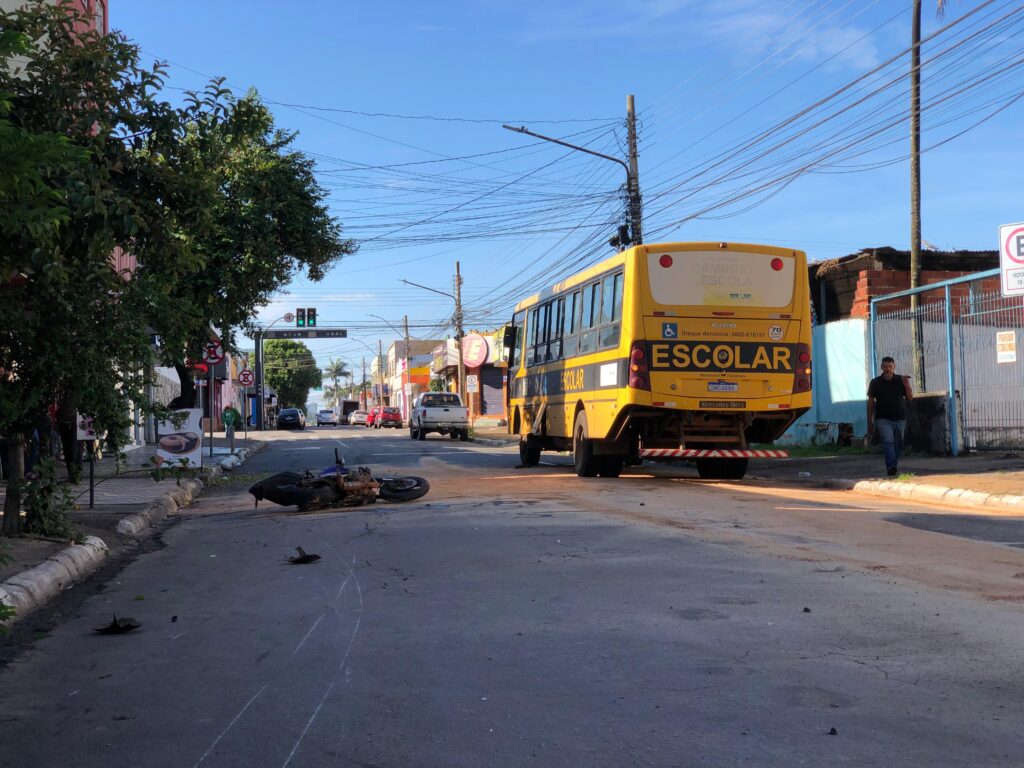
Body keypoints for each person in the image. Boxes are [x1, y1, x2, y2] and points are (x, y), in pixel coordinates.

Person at [867, 356, 914, 477]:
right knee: (888, 442)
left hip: (900, 418)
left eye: (890, 367)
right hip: (883, 418)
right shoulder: (875, 382)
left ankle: (893, 465)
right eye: (886, 367)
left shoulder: (900, 380)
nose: (888, 369)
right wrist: (869, 421)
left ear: (894, 367)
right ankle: (891, 467)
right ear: (881, 367)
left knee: (898, 444)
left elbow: (909, 398)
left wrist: (907, 385)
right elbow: (871, 402)